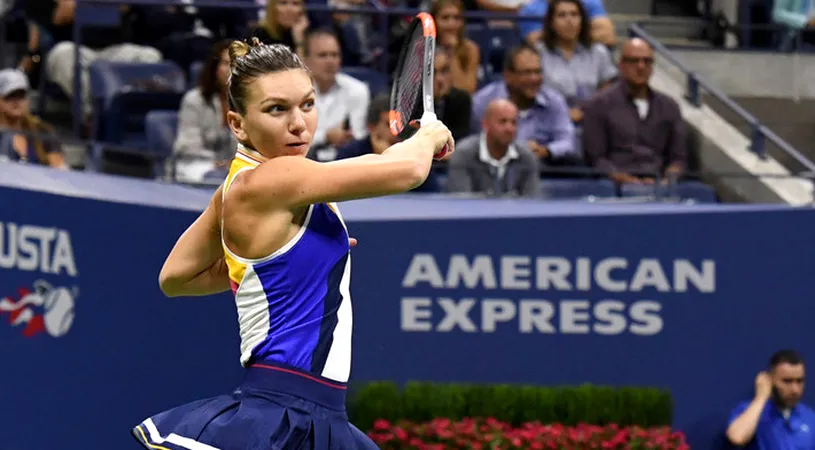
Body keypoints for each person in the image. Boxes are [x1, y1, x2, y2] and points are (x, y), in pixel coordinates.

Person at [131, 38, 453, 450]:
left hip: (315, 415)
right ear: (237, 124)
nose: (299, 123)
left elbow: (175, 278)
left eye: (307, 103)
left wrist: (291, 265)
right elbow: (406, 170)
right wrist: (428, 137)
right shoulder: (275, 179)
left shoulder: (235, 187)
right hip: (282, 419)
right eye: (276, 109)